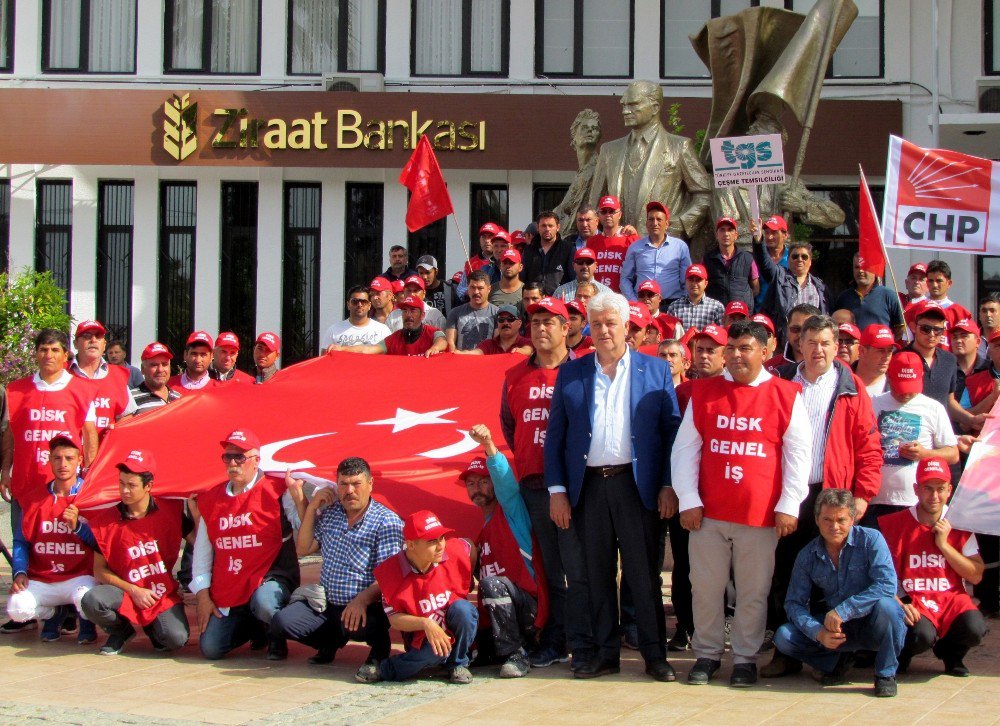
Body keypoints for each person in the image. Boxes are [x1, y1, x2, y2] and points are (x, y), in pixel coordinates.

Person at [546, 292, 680, 682]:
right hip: (588, 488)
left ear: (627, 327)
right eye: (598, 323)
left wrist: (669, 484)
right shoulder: (572, 373)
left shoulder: (654, 371)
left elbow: (671, 434)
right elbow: (555, 438)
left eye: (612, 323)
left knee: (643, 575)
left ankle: (655, 655)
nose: (604, 330)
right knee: (596, 575)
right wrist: (557, 491)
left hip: (636, 488)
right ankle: (605, 653)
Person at [672, 319, 810, 686]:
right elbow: (685, 449)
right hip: (708, 514)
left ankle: (746, 658)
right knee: (705, 588)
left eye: (744, 348)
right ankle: (707, 654)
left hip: (760, 515)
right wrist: (688, 498)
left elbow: (799, 454)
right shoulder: (703, 393)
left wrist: (790, 504)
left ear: (765, 352)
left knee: (753, 591)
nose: (735, 355)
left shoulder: (786, 394)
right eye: (730, 348)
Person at [763, 315, 882, 672]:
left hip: (833, 494)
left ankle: (831, 655)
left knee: (834, 578)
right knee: (785, 573)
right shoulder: (780, 381)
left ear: (837, 347)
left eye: (826, 343)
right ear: (800, 345)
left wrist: (863, 493)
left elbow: (869, 444)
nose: (818, 350)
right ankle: (788, 654)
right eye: (812, 342)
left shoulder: (850, 385)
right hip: (789, 495)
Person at [500, 296, 594, 669]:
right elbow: (510, 427)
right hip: (535, 485)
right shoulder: (514, 376)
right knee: (550, 567)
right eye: (535, 322)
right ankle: (556, 637)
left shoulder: (585, 371)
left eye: (549, 322)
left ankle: (588, 636)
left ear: (565, 327)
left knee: (581, 565)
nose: (541, 328)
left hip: (578, 486)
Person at [271, 458, 403, 676]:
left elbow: (388, 577)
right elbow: (304, 548)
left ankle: (379, 648)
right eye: (343, 484)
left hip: (366, 604)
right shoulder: (332, 513)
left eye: (356, 484)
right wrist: (311, 506)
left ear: (371, 484)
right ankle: (330, 642)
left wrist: (361, 601)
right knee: (282, 622)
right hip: (328, 604)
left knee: (365, 624)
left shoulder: (387, 521)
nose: (349, 490)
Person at [771, 489, 905, 697]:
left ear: (852, 519)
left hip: (872, 622)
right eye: (827, 519)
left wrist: (844, 610)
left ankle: (885, 674)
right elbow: (794, 604)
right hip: (837, 631)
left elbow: (887, 585)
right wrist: (818, 632)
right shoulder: (807, 555)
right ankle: (836, 661)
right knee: (784, 637)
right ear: (816, 520)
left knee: (889, 607)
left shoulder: (871, 540)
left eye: (841, 520)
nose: (834, 526)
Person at [190, 429, 301, 660]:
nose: (233, 463)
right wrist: (202, 596)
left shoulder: (277, 490)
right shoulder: (212, 499)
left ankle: (275, 635)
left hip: (270, 576)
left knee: (265, 603)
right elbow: (202, 553)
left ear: (256, 460)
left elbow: (304, 526)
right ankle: (255, 627)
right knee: (211, 648)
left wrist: (300, 498)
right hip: (229, 586)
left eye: (239, 457)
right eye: (228, 457)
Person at [879, 457, 987, 676]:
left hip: (951, 598)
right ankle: (903, 653)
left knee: (975, 627)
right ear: (916, 489)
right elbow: (880, 574)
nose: (934, 496)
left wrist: (944, 546)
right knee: (919, 636)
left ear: (949, 490)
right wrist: (897, 602)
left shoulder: (959, 522)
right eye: (928, 488)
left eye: (940, 489)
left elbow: (976, 575)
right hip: (912, 598)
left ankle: (950, 654)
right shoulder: (893, 524)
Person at [81, 449, 193, 655]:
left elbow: (197, 540)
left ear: (148, 486)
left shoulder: (171, 511)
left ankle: (153, 626)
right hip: (124, 591)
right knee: (91, 600)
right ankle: (121, 631)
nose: (124, 490)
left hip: (159, 594)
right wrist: (133, 590)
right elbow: (99, 570)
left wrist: (196, 507)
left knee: (175, 639)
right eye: (121, 483)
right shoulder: (105, 522)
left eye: (131, 485)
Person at [465, 425, 549, 678]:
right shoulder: (480, 537)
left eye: (483, 482)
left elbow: (506, 484)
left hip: (532, 612)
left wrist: (489, 445)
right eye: (471, 483)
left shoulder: (512, 513)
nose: (477, 488)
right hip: (501, 616)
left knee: (492, 585)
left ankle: (516, 655)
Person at [362, 510, 478, 685]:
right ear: (411, 545)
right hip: (421, 637)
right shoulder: (391, 572)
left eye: (442, 538)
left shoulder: (454, 550)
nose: (441, 546)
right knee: (432, 653)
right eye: (432, 541)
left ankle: (458, 663)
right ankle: (386, 668)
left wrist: (467, 581)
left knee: (465, 609)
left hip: (452, 624)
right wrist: (426, 623)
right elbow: (395, 619)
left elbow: (469, 545)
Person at [589, 80, 711, 236]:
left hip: (660, 247)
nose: (625, 111)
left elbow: (703, 194)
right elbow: (594, 202)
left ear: (655, 108)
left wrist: (676, 224)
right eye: (624, 105)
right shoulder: (609, 151)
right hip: (616, 248)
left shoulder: (679, 146)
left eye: (633, 105)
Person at [7, 432, 96, 644]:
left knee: (87, 600)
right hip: (44, 577)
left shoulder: (91, 495)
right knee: (17, 609)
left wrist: (78, 528)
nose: (63, 464)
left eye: (69, 458)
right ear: (49, 460)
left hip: (81, 576)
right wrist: (19, 571)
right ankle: (54, 615)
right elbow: (21, 541)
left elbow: (102, 545)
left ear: (79, 461)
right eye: (57, 458)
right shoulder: (35, 499)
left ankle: (86, 621)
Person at [867, 352, 958, 525]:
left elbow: (953, 454)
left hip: (915, 502)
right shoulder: (873, 403)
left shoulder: (933, 408)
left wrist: (924, 453)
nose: (906, 395)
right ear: (889, 377)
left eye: (911, 389)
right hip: (876, 500)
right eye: (900, 388)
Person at [751, 225, 830, 333]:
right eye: (795, 256)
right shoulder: (779, 277)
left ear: (810, 261)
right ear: (788, 260)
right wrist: (758, 239)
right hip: (785, 338)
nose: (799, 259)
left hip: (812, 339)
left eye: (804, 257)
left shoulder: (820, 287)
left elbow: (826, 316)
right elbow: (763, 262)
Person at [69, 319, 138, 434]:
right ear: (75, 344)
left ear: (104, 344)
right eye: (86, 336)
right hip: (68, 450)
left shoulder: (117, 376)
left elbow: (126, 416)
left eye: (98, 336)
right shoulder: (62, 373)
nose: (93, 340)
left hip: (105, 450)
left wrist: (115, 430)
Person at [620, 201, 691, 306]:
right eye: (651, 219)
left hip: (672, 305)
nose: (654, 223)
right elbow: (625, 278)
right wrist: (633, 301)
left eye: (659, 219)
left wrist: (682, 302)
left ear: (666, 224)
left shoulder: (680, 247)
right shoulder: (635, 248)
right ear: (646, 223)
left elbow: (686, 279)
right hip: (643, 304)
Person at [329, 296, 447, 357]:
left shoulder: (432, 332)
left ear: (422, 315)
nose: (408, 315)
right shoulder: (394, 338)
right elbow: (368, 349)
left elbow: (442, 341)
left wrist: (435, 348)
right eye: (404, 311)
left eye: (413, 311)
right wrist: (343, 349)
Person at [554, 110, 602, 237]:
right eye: (585, 127)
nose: (590, 131)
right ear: (574, 135)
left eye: (594, 128)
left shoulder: (600, 169)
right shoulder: (580, 173)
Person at [833, 254, 906, 335]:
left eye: (864, 267)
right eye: (857, 267)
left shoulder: (889, 296)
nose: (860, 271)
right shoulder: (843, 298)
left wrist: (887, 345)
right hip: (852, 347)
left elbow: (900, 328)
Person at [587, 195, 639, 293]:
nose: (608, 215)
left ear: (619, 215)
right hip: (597, 295)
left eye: (611, 211)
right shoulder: (591, 241)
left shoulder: (631, 239)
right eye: (603, 212)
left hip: (622, 296)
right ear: (598, 215)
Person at [704, 217, 758, 309]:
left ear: (736, 235)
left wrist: (745, 300)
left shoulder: (747, 258)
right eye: (722, 230)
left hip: (741, 313)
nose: (726, 234)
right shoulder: (708, 259)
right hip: (717, 312)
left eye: (730, 230)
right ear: (716, 235)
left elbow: (756, 288)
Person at [321, 285, 391, 352]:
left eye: (363, 302)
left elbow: (389, 357)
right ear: (348, 305)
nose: (359, 305)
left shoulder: (382, 330)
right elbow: (323, 360)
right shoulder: (333, 330)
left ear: (369, 305)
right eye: (355, 301)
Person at [521, 211, 575, 295]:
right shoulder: (528, 250)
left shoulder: (568, 249)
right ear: (537, 228)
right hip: (534, 301)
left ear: (558, 227)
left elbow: (573, 278)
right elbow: (522, 278)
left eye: (550, 226)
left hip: (559, 301)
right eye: (543, 226)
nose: (547, 229)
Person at [446, 270, 499, 351]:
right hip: (462, 361)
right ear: (467, 288)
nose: (476, 292)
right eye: (472, 287)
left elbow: (497, 344)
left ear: (489, 289)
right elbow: (450, 344)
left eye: (480, 288)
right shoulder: (455, 313)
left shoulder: (497, 313)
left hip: (487, 361)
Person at [666, 264, 724, 331]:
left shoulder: (717, 307)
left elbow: (721, 335)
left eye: (698, 280)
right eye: (691, 280)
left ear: (706, 283)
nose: (694, 284)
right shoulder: (674, 307)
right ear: (685, 282)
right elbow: (669, 335)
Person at [130, 342, 181, 415]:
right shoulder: (130, 399)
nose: (160, 370)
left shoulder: (179, 398)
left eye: (164, 364)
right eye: (154, 365)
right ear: (143, 369)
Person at [167, 331, 220, 397]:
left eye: (203, 355)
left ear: (211, 356)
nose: (198, 360)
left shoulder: (219, 390)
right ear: (185, 355)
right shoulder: (168, 387)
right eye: (194, 354)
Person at [924, 260, 972, 332]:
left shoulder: (960, 313)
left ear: (949, 283)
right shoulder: (916, 308)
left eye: (939, 281)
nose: (934, 285)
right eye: (931, 281)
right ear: (927, 282)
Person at [755, 216, 790, 311]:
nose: (769, 237)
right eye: (767, 233)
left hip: (784, 313)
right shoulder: (756, 258)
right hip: (760, 313)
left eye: (774, 232)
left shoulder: (793, 258)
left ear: (785, 235)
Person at [465, 305, 531, 355]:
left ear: (519, 323)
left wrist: (522, 351)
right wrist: (458, 353)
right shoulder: (488, 344)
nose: (505, 323)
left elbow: (528, 349)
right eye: (501, 319)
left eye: (511, 319)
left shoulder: (527, 342)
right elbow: (475, 353)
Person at [854, 324, 896, 397]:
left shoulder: (896, 389)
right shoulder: (841, 381)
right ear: (862, 351)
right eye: (881, 350)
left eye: (890, 350)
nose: (886, 356)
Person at [977, 292, 1000, 358]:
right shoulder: (972, 338)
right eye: (984, 311)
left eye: (992, 310)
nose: (988, 315)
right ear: (979, 315)